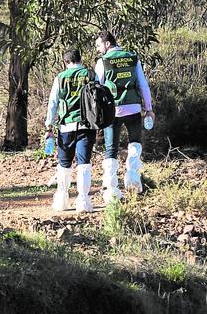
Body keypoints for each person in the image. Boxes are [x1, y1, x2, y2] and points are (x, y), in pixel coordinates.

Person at [94, 30, 154, 202]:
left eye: (99, 45)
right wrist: (148, 108)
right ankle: (133, 181)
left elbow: (96, 88)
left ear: (107, 44)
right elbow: (143, 84)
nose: (98, 49)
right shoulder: (133, 58)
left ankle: (112, 190)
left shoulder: (103, 61)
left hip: (112, 111)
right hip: (134, 109)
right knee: (134, 143)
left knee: (111, 149)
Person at [45, 48, 97, 213]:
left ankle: (62, 200)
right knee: (84, 164)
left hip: (66, 126)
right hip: (86, 125)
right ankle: (83, 201)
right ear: (80, 59)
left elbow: (53, 103)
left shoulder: (60, 78)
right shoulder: (90, 74)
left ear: (65, 62)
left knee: (64, 163)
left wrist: (49, 126)